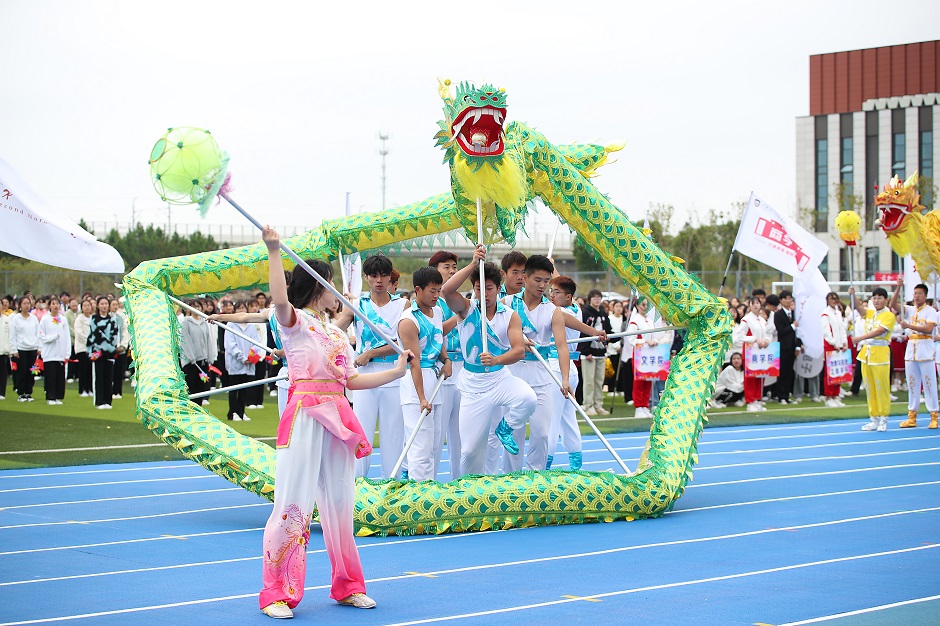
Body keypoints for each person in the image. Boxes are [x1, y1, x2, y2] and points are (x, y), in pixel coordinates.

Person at [258, 226, 411, 618]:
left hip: (339, 416)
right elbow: (279, 298)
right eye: (331, 284)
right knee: (293, 503)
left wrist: (396, 372)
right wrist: (274, 251)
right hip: (305, 415)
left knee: (341, 505)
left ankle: (348, 586)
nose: (339, 291)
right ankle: (277, 593)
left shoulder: (337, 334)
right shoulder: (294, 323)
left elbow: (352, 380)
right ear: (318, 287)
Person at [441, 244, 536, 477]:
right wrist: (473, 264)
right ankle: (469, 486)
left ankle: (506, 427)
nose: (484, 293)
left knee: (528, 398)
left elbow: (519, 351)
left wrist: (496, 360)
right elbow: (447, 290)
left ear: (498, 289)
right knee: (470, 451)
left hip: (499, 379)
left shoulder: (510, 316)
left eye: (489, 288)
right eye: (478, 288)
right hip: (473, 387)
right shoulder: (466, 310)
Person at [499, 255, 578, 472]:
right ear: (525, 278)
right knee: (514, 432)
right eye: (537, 280)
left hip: (541, 375)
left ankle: (536, 475)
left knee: (542, 432)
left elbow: (561, 346)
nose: (542, 285)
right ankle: (511, 476)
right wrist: (517, 340)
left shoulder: (553, 311)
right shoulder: (507, 304)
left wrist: (564, 378)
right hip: (513, 375)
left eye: (546, 281)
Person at [333, 254, 409, 479]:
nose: (379, 280)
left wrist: (371, 353)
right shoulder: (356, 305)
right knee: (361, 433)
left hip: (393, 375)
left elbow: (403, 343)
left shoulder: (402, 305)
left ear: (389, 277)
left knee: (393, 435)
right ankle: (358, 485)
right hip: (364, 378)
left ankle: (391, 484)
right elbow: (333, 332)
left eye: (383, 275)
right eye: (374, 276)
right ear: (366, 277)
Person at [397, 267, 456, 481]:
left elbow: (437, 340)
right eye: (432, 291)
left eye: (439, 291)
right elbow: (414, 362)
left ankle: (429, 488)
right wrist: (422, 397)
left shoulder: (437, 311)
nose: (436, 296)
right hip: (416, 382)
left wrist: (446, 360)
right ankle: (418, 493)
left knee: (434, 443)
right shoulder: (408, 321)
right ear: (418, 290)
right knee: (420, 446)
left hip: (434, 377)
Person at [428, 250, 462, 480]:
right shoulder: (432, 303)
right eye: (446, 267)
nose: (452, 271)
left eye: (454, 267)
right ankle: (430, 482)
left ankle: (460, 481)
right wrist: (460, 316)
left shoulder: (459, 300)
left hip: (464, 368)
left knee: (461, 434)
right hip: (441, 368)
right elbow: (436, 332)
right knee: (436, 433)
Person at [547, 275, 584, 470]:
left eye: (556, 292)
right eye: (551, 291)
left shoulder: (557, 311)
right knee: (568, 418)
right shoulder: (576, 307)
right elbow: (563, 282)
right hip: (569, 369)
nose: (551, 295)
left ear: (568, 297)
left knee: (551, 419)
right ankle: (576, 464)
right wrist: (552, 266)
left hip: (557, 367)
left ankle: (545, 464)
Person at [889, 279, 938, 428]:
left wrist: (909, 325)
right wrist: (898, 288)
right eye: (915, 293)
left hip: (925, 350)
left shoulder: (931, 311)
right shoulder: (909, 309)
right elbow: (892, 304)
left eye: (919, 293)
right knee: (912, 383)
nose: (916, 296)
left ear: (925, 295)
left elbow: (929, 329)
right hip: (911, 350)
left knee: (929, 383)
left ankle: (934, 416)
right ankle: (912, 416)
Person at [850, 286, 896, 432]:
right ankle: (874, 418)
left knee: (881, 388)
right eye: (874, 298)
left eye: (879, 298)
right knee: (870, 388)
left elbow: (880, 331)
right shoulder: (870, 313)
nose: (876, 301)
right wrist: (853, 295)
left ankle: (883, 418)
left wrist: (860, 338)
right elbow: (858, 307)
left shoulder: (889, 315)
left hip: (880, 354)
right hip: (866, 354)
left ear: (885, 299)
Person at [224, 300, 259, 422]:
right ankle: (232, 412)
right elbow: (230, 345)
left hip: (249, 363)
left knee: (244, 388)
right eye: (239, 308)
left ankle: (241, 411)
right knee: (234, 388)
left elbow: (256, 342)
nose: (241, 310)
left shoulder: (251, 326)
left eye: (243, 308)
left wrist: (251, 357)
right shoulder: (230, 325)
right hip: (236, 362)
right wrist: (242, 357)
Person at [734, 296, 769, 412]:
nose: (755, 305)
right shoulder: (746, 319)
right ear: (749, 305)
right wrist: (754, 339)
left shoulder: (762, 320)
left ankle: (757, 399)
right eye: (753, 303)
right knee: (750, 377)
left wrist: (767, 340)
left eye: (757, 303)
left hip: (761, 352)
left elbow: (767, 334)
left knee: (760, 376)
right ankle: (750, 401)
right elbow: (739, 336)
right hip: (750, 352)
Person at [580, 289, 612, 415]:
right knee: (589, 380)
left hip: (601, 351)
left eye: (599, 297)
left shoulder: (603, 313)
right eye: (594, 297)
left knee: (599, 380)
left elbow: (608, 330)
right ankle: (588, 405)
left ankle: (598, 404)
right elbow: (582, 333)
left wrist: (616, 337)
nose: (597, 300)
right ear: (590, 299)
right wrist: (585, 351)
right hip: (589, 352)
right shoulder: (586, 313)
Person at [180, 299, 217, 405]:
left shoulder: (204, 322)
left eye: (198, 306)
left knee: (201, 387)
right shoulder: (186, 322)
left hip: (203, 360)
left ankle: (199, 407)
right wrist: (191, 357)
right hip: (191, 362)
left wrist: (210, 357)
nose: (196, 309)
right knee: (191, 387)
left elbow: (208, 340)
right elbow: (185, 341)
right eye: (193, 306)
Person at [87, 296, 119, 409]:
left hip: (110, 353)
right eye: (102, 304)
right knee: (99, 377)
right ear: (97, 306)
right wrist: (106, 347)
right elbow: (96, 335)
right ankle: (99, 401)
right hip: (98, 353)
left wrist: (110, 348)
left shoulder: (113, 319)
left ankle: (107, 401)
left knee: (109, 378)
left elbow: (115, 335)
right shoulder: (94, 319)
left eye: (106, 304)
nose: (104, 306)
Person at [38, 296, 70, 405]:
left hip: (60, 353)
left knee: (59, 376)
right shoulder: (45, 319)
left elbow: (67, 337)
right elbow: (41, 335)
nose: (55, 306)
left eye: (57, 304)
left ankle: (57, 396)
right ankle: (50, 397)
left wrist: (67, 353)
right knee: (50, 376)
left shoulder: (63, 319)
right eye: (53, 304)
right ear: (49, 306)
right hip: (49, 353)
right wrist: (52, 338)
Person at [627, 297, 656, 418]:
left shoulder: (649, 320)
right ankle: (638, 407)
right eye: (643, 305)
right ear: (637, 306)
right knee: (639, 380)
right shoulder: (635, 321)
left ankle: (645, 405)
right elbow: (631, 339)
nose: (645, 307)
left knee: (648, 379)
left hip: (649, 353)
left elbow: (652, 335)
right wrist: (645, 341)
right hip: (639, 353)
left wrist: (654, 341)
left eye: (646, 305)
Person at [821, 292, 848, 408]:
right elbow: (826, 331)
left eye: (835, 299)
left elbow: (842, 329)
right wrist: (833, 343)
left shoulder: (838, 313)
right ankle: (828, 396)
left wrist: (844, 342)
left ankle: (836, 395)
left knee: (839, 372)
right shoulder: (825, 314)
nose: (834, 301)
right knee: (830, 372)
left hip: (840, 345)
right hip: (830, 346)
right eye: (831, 299)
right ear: (827, 301)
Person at [10, 297, 39, 402]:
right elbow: (12, 335)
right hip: (21, 349)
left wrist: (38, 347)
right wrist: (14, 350)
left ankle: (28, 393)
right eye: (24, 303)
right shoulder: (16, 319)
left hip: (32, 348)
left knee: (32, 372)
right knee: (21, 372)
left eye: (28, 303)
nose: (27, 305)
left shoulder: (34, 318)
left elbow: (37, 333)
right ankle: (21, 393)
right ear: (20, 305)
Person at [73, 299, 94, 397]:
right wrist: (88, 341)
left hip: (92, 348)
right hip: (82, 348)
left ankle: (90, 389)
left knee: (90, 369)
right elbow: (79, 333)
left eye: (88, 305)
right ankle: (83, 390)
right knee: (83, 369)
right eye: (85, 306)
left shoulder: (93, 318)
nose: (87, 307)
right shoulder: (79, 319)